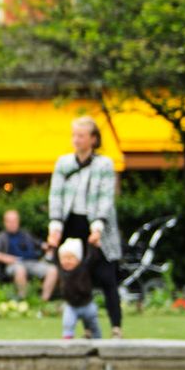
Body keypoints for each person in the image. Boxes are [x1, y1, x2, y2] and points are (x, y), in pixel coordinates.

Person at [47, 116, 123, 337]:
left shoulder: (104, 165)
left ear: (93, 139)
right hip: (72, 225)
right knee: (79, 276)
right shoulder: (64, 164)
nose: (76, 140)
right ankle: (89, 327)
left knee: (107, 277)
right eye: (74, 135)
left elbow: (106, 198)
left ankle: (116, 326)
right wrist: (55, 226)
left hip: (99, 224)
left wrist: (98, 227)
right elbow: (56, 196)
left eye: (81, 136)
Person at [0, 208, 56, 301]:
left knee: (53, 270)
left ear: (18, 221)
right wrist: (8, 258)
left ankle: (43, 301)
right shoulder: (1, 237)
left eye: (15, 221)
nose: (13, 223)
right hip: (14, 265)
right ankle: (24, 300)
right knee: (20, 269)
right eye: (10, 221)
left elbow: (40, 244)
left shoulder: (25, 234)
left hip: (32, 262)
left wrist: (48, 245)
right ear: (5, 222)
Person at [52, 239, 102, 340]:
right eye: (64, 258)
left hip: (87, 304)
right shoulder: (62, 270)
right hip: (71, 306)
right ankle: (67, 343)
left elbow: (92, 258)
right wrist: (54, 245)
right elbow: (55, 259)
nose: (67, 261)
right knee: (68, 324)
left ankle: (98, 342)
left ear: (78, 259)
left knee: (93, 325)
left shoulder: (83, 268)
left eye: (70, 258)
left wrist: (92, 245)